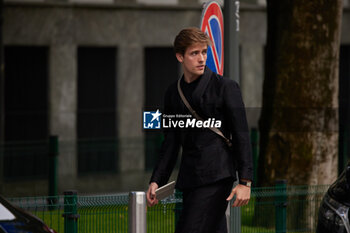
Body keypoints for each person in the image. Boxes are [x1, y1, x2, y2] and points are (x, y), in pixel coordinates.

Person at [146, 27, 253, 233]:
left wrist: (245, 182)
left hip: (217, 175)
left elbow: (241, 134)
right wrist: (156, 180)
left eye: (204, 52)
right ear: (180, 56)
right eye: (194, 53)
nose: (201, 58)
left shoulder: (225, 87)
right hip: (190, 178)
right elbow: (170, 142)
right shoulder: (172, 93)